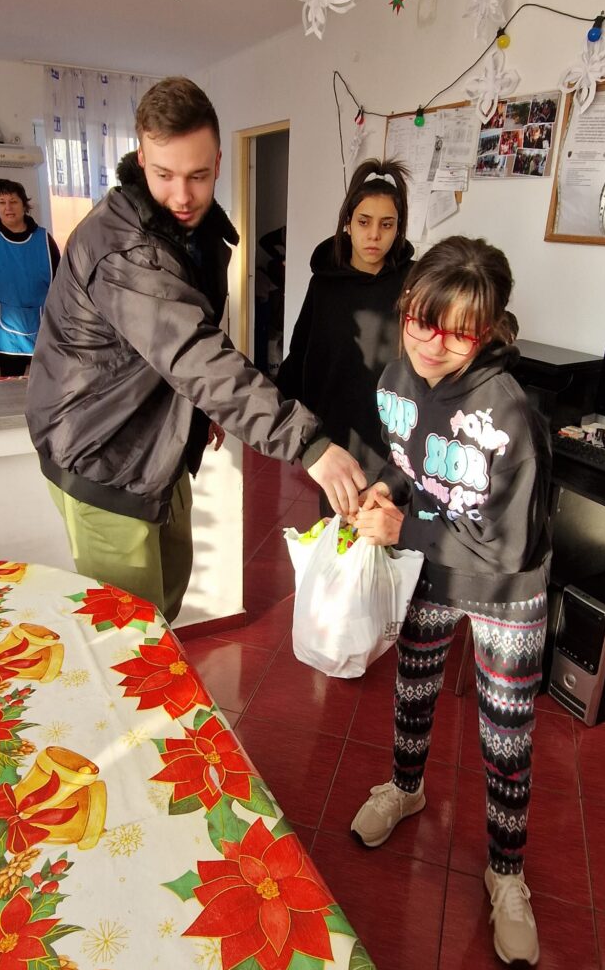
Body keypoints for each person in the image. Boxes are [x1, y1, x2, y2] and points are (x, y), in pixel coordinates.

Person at [26, 76, 365, 621]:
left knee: (165, 604)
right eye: (164, 175)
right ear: (141, 159)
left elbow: (188, 333)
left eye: (198, 176)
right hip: (101, 454)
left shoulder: (191, 231)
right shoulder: (124, 249)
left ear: (218, 162)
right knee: (128, 634)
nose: (183, 196)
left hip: (152, 444)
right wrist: (307, 443)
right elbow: (192, 352)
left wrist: (199, 411)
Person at [350, 236, 551, 967]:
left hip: (505, 591)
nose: (434, 344)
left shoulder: (510, 415)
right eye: (422, 321)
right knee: (414, 687)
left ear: (488, 330)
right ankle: (404, 790)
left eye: (459, 331)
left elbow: (509, 545)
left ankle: (506, 872)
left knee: (506, 736)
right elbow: (408, 458)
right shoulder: (397, 375)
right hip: (433, 572)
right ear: (406, 305)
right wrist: (386, 487)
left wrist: (404, 529)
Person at [275, 159, 414, 515]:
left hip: (397, 446)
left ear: (398, 229)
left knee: (392, 538)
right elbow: (301, 357)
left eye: (386, 224)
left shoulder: (415, 285)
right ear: (348, 224)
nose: (374, 235)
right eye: (364, 222)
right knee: (340, 533)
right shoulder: (324, 285)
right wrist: (295, 430)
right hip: (339, 440)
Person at [0, 179, 60, 376]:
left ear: (24, 205)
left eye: (14, 201)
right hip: (3, 322)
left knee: (44, 378)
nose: (8, 207)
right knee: (9, 380)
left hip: (40, 318)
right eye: (2, 202)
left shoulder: (43, 239)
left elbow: (57, 273)